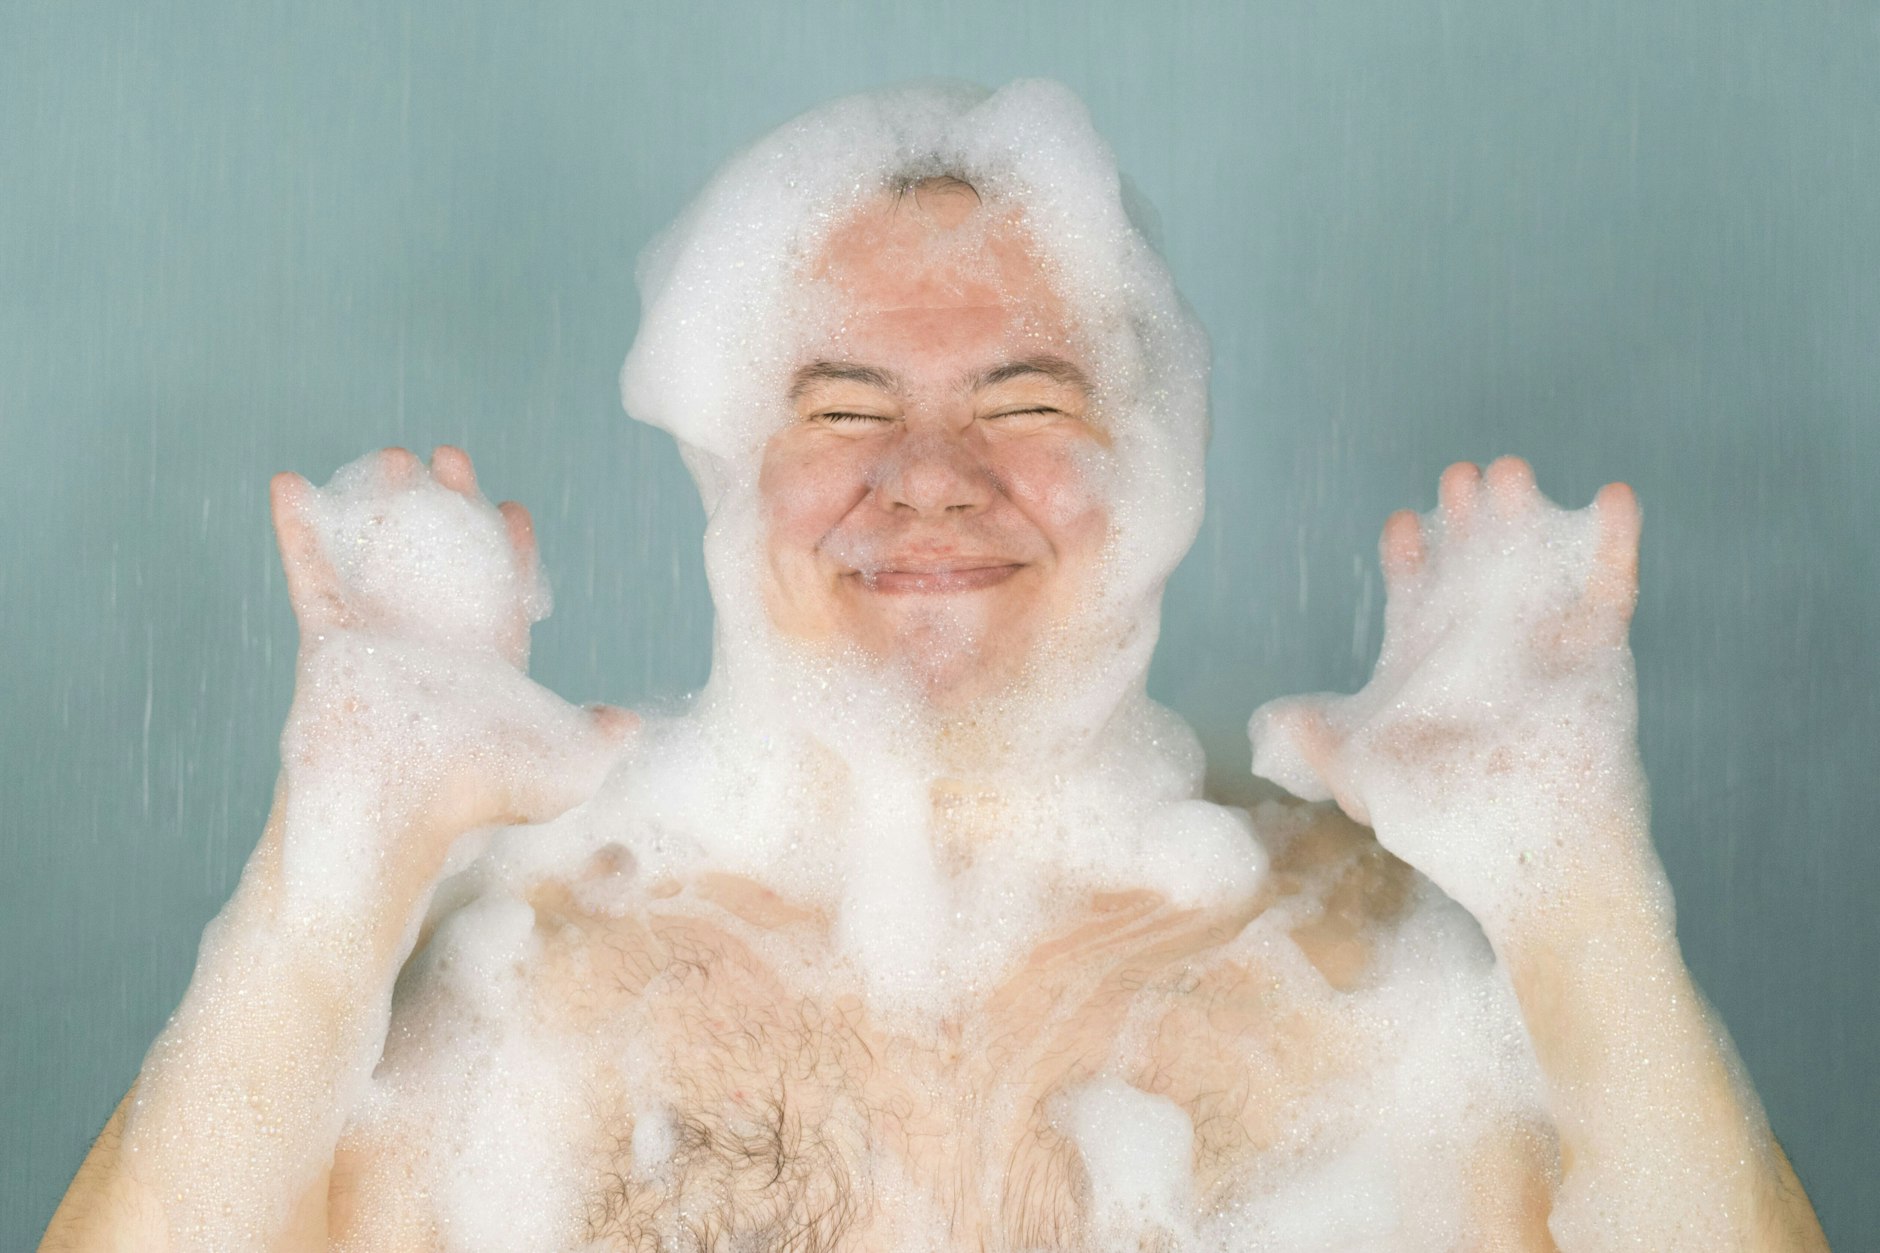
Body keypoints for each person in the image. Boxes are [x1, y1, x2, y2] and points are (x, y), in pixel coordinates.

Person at [43, 80, 1825, 1253]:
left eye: (1024, 402)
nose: (930, 481)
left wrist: (1586, 903)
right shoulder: (519, 969)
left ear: (1153, 471)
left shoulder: (1370, 972)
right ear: (730, 471)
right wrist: (333, 866)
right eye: (842, 408)